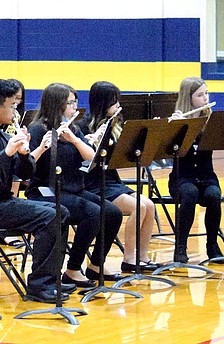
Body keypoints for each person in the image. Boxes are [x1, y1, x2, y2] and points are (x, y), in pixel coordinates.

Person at [0, 79, 72, 303]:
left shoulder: (3, 136)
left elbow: (24, 175)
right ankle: (39, 286)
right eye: (12, 105)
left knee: (62, 211)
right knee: (49, 215)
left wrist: (23, 154)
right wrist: (6, 153)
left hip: (2, 203)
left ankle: (51, 278)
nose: (16, 110)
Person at [25, 83, 124, 287]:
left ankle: (96, 264)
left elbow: (93, 159)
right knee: (93, 213)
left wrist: (74, 140)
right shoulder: (37, 130)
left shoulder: (73, 129)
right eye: (70, 103)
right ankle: (73, 269)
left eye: (75, 102)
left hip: (73, 188)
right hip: (45, 191)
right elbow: (27, 169)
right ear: (56, 105)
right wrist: (45, 146)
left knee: (113, 213)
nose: (74, 107)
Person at [84, 81, 159, 272]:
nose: (118, 105)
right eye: (114, 101)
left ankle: (142, 256)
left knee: (149, 205)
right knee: (139, 207)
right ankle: (129, 258)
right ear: (102, 103)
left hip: (111, 180)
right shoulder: (86, 127)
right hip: (94, 184)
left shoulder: (115, 125)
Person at [168, 77, 223, 263]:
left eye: (206, 93)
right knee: (190, 193)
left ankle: (212, 245)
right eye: (200, 95)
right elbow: (169, 152)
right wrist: (178, 129)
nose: (205, 99)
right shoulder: (178, 122)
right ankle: (181, 246)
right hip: (182, 179)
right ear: (188, 98)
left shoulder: (210, 120)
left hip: (206, 177)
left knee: (214, 195)